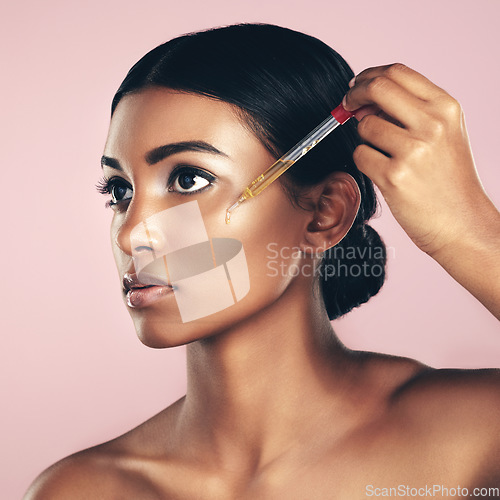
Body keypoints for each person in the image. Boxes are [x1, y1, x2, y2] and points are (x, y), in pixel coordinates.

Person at [25, 23, 500, 499]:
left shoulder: (472, 439)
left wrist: (469, 234)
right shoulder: (82, 490)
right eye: (120, 191)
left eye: (188, 179)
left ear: (325, 213)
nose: (131, 234)